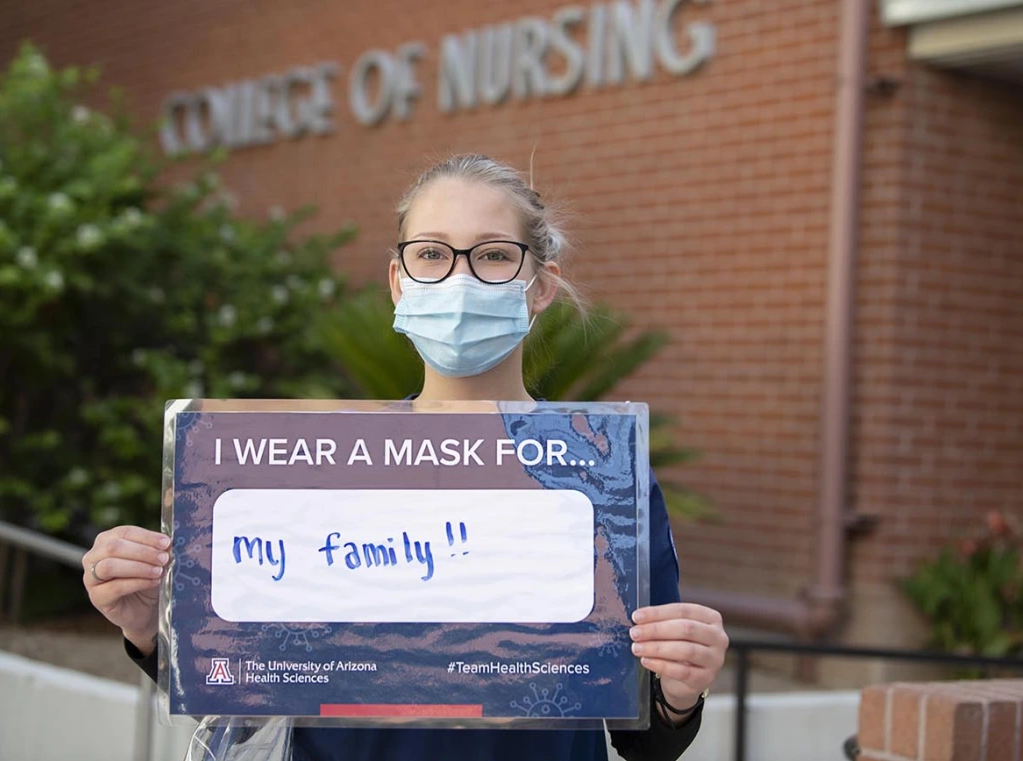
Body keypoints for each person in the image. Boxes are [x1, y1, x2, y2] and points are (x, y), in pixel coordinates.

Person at [83, 154, 729, 761]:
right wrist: (148, 626)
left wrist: (679, 691)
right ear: (399, 281)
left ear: (540, 287)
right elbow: (240, 686)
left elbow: (643, 736)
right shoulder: (318, 468)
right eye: (431, 254)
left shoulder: (603, 474)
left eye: (495, 255)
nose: (460, 277)